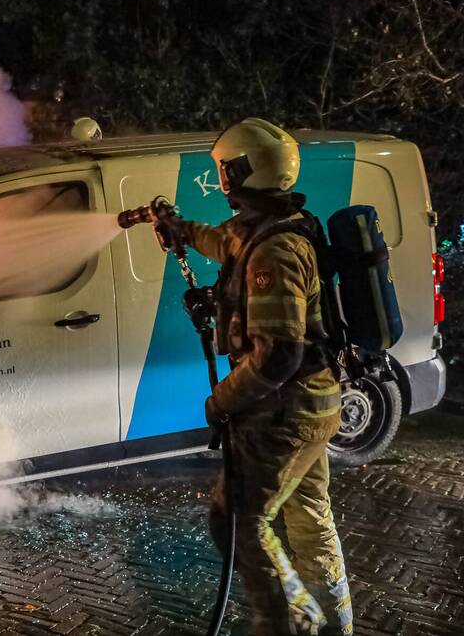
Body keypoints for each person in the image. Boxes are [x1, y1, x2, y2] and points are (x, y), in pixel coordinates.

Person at [168, 118, 354, 635]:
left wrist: (220, 402)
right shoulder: (274, 228)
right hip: (316, 404)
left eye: (224, 169)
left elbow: (276, 357)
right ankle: (338, 625)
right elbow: (223, 242)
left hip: (285, 414)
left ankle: (298, 624)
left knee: (237, 520)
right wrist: (179, 229)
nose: (222, 177)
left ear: (236, 172)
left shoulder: (273, 252)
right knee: (309, 520)